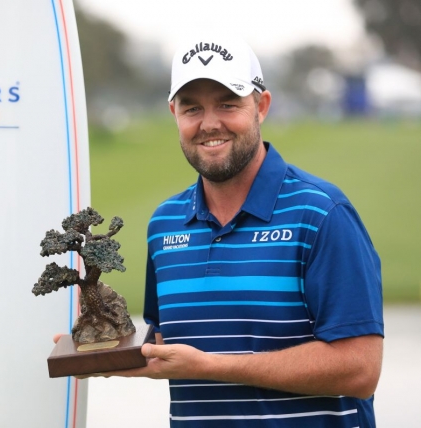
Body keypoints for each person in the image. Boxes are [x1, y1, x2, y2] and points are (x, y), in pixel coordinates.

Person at [110, 34, 384, 427]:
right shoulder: (164, 224)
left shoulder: (322, 213)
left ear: (261, 106)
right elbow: (165, 344)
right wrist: (100, 345)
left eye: (227, 104)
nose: (209, 124)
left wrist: (211, 366)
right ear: (174, 113)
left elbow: (359, 369)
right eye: (192, 108)